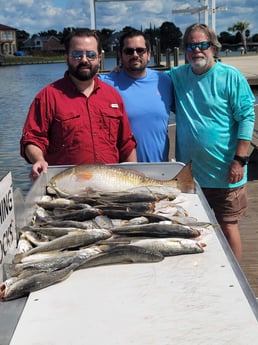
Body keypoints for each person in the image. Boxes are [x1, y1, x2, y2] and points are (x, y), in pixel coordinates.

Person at [167, 23, 255, 262]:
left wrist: (239, 159)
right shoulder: (177, 76)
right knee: (194, 227)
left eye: (203, 44)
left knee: (228, 226)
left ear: (213, 47)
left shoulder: (230, 76)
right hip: (191, 176)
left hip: (227, 173)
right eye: (191, 45)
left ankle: (236, 278)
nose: (197, 50)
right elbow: (143, 78)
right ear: (185, 50)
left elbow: (247, 116)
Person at [20, 29, 137, 180]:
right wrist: (38, 160)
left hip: (110, 187)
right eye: (77, 55)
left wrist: (134, 177)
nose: (84, 60)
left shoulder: (113, 96)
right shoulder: (47, 97)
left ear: (99, 58)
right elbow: (32, 139)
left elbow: (126, 144)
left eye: (90, 55)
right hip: (65, 190)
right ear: (66, 57)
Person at [99, 29, 173, 162]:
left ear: (149, 54)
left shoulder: (165, 81)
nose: (135, 54)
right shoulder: (104, 83)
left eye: (140, 50)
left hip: (160, 167)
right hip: (122, 173)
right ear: (120, 55)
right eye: (129, 51)